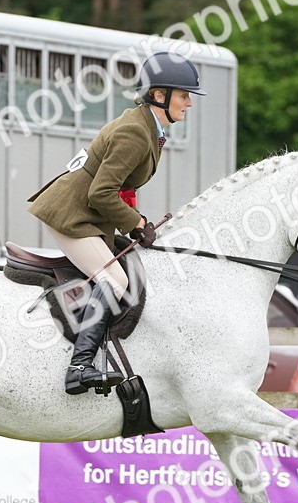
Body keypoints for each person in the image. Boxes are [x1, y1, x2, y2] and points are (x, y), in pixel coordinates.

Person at [27, 51, 205, 395]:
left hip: (89, 214)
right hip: (73, 215)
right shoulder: (136, 133)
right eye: (184, 96)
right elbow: (101, 193)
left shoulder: (146, 127)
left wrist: (136, 225)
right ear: (159, 95)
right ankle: (79, 367)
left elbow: (122, 188)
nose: (189, 104)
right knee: (115, 280)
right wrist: (135, 222)